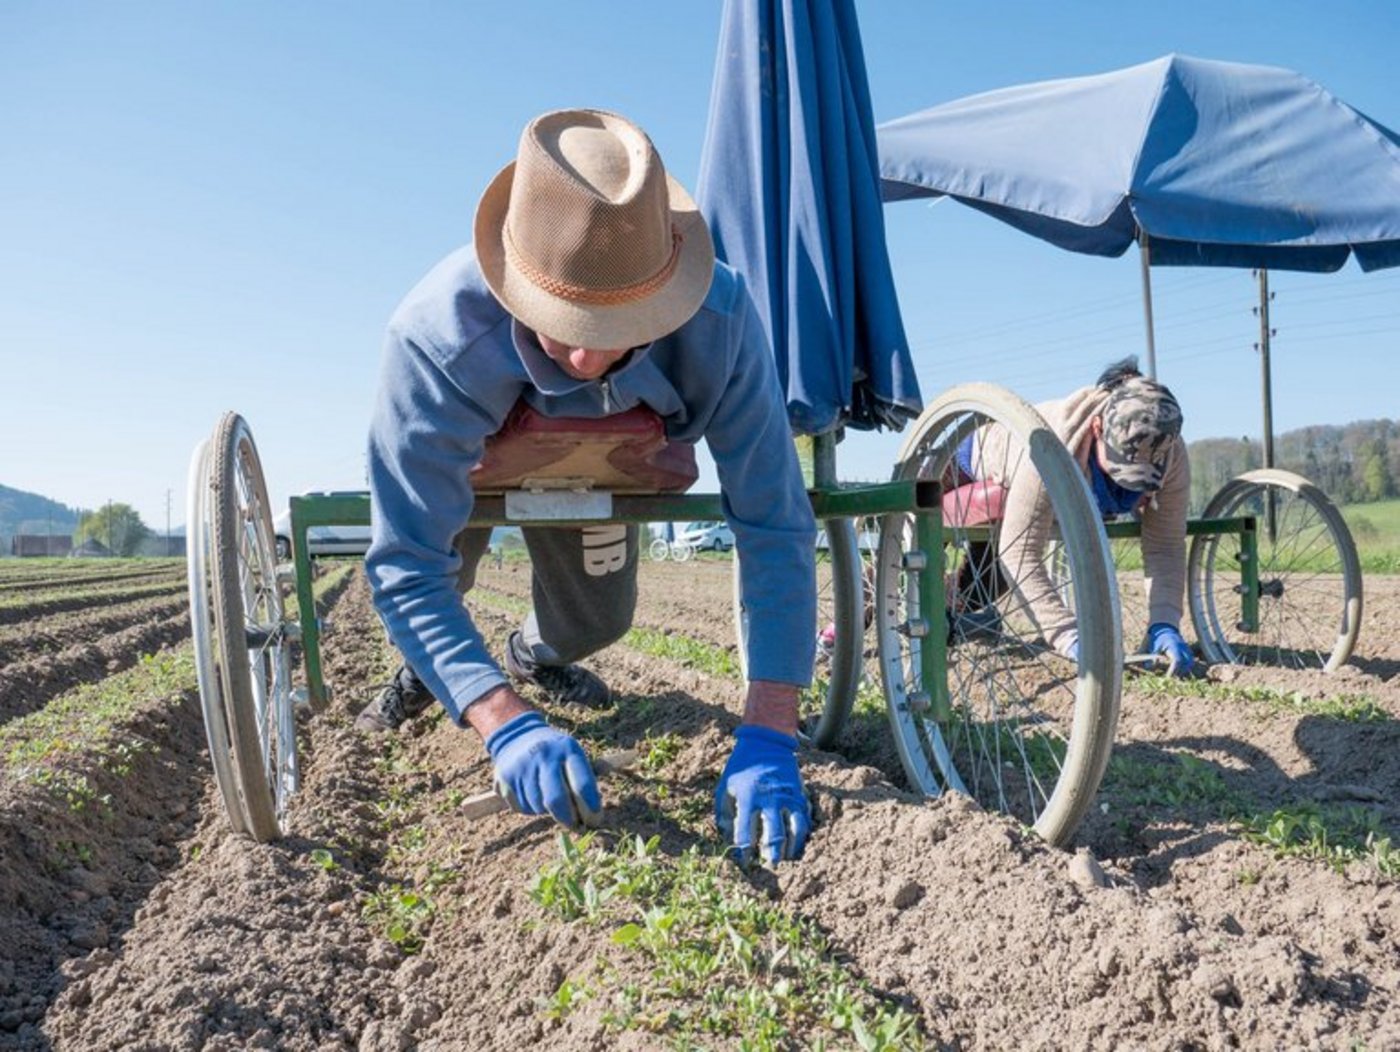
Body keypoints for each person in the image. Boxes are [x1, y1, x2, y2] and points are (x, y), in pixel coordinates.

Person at [356, 109, 817, 866]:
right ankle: (439, 672)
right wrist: (504, 721)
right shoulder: (434, 342)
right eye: (558, 321)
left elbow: (773, 521)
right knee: (444, 584)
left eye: (615, 328)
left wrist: (770, 730)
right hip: (469, 475)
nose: (580, 357)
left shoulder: (723, 321)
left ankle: (529, 656)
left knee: (598, 623)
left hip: (606, 469)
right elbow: (405, 565)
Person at [953, 357, 1195, 676]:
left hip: (1051, 493)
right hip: (976, 455)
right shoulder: (1051, 440)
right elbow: (1018, 551)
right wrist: (1069, 636)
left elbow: (1165, 547)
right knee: (918, 529)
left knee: (975, 590)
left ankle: (955, 608)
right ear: (1098, 428)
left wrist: (1164, 623)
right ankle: (875, 592)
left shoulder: (1169, 449)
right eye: (1125, 469)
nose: (1132, 483)